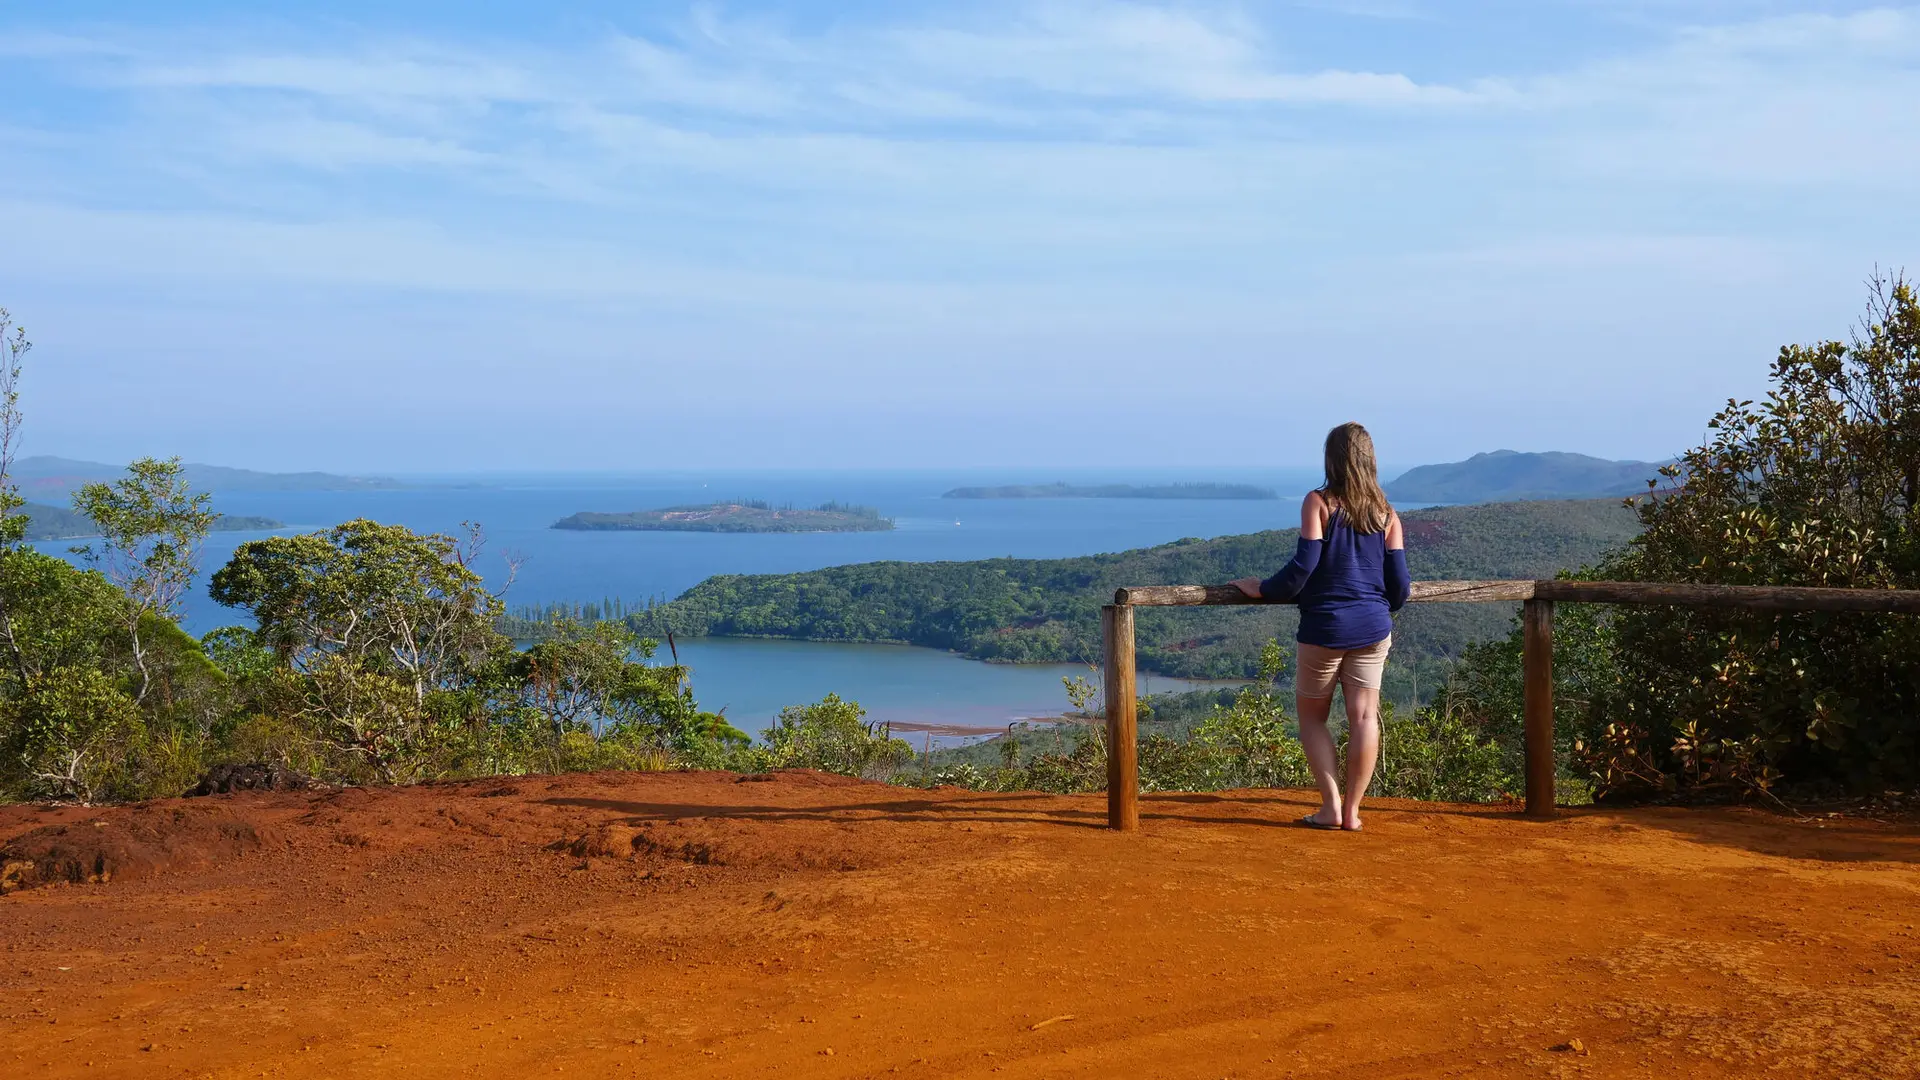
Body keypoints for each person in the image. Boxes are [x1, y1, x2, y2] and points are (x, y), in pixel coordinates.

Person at [1231, 422, 1409, 832]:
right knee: (1365, 718)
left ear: (1332, 459)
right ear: (1370, 460)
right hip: (1372, 628)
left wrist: (1262, 590)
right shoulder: (1387, 514)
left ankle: (1329, 807)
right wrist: (1379, 607)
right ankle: (1352, 813)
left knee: (1313, 719)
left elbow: (1302, 569)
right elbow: (1400, 586)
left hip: (1325, 629)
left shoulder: (1319, 503)